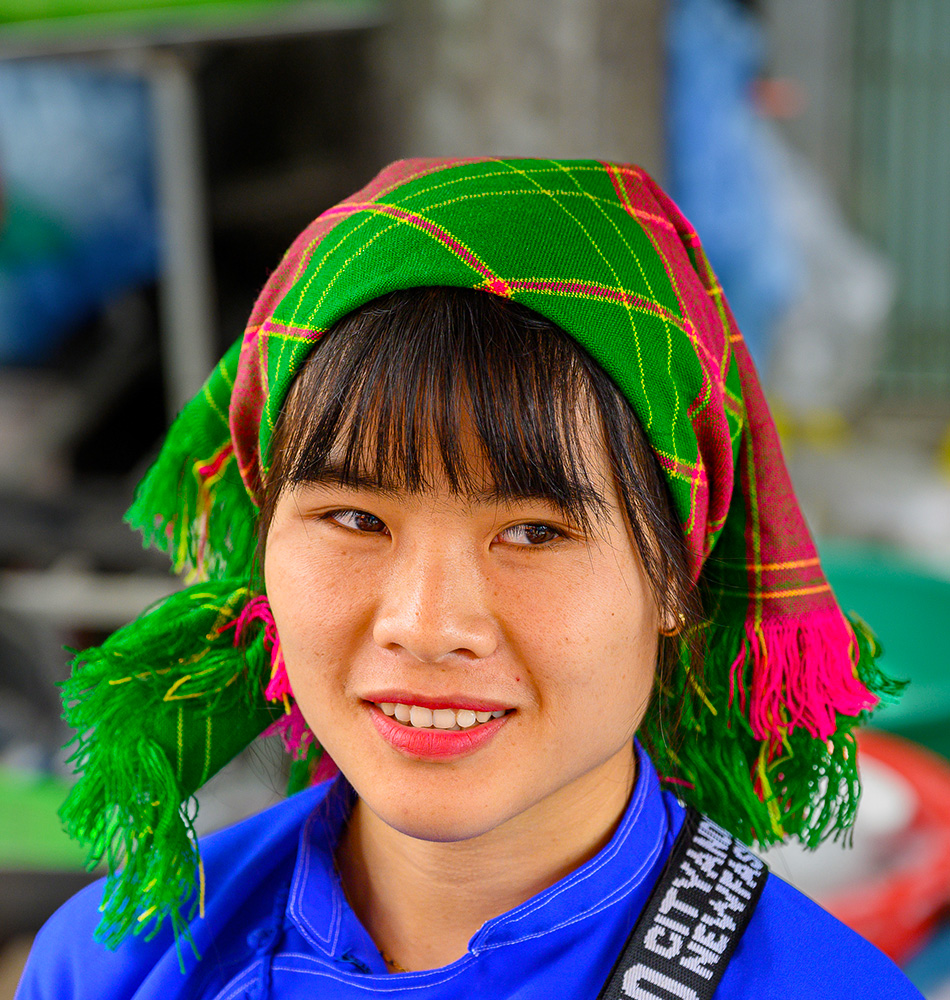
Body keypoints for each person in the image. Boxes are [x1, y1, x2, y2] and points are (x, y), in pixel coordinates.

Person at [16, 158, 921, 999]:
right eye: (355, 520)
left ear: (677, 580)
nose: (426, 623)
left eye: (533, 531)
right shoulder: (115, 964)